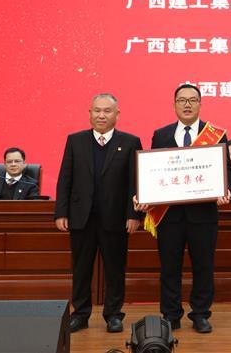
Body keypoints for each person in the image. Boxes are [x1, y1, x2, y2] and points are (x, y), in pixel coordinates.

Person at [138, 84, 230, 333]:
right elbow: (153, 171)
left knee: (203, 266)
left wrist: (225, 190)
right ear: (174, 104)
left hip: (203, 215)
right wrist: (144, 194)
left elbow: (225, 172)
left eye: (192, 100)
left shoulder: (216, 135)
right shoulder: (161, 135)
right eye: (182, 100)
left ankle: (200, 314)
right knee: (169, 267)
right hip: (170, 215)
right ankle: (171, 314)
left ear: (200, 104)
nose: (187, 104)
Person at [54, 93, 142, 333]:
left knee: (115, 270)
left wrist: (134, 215)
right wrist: (61, 212)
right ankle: (80, 314)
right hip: (81, 217)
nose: (101, 115)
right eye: (97, 110)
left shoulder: (130, 142)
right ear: (90, 113)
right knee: (81, 270)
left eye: (107, 111)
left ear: (117, 115)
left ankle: (113, 315)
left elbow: (135, 182)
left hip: (116, 219)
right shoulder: (75, 141)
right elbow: (65, 178)